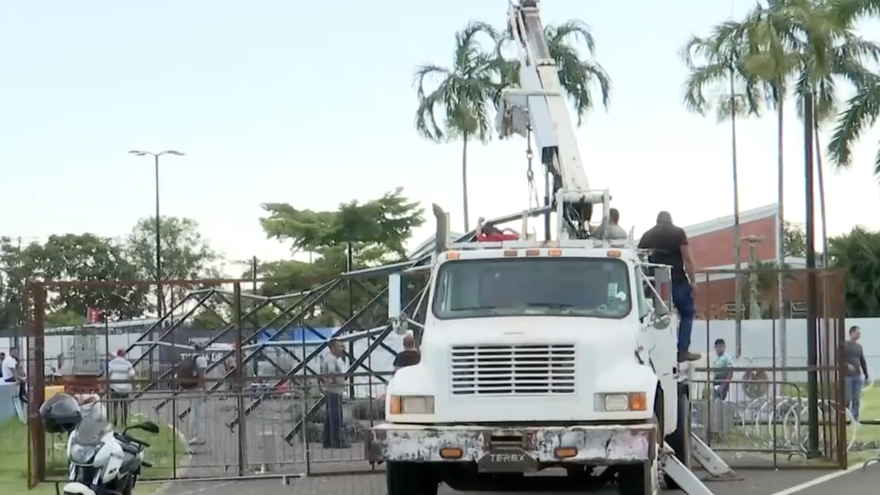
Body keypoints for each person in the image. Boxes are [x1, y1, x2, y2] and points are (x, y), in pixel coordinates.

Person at [638, 211, 701, 362]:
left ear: (657, 221)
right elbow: (686, 257)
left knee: (657, 318)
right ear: (670, 221)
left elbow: (639, 258)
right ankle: (682, 350)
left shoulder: (647, 236)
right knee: (687, 313)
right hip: (677, 280)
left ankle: (654, 350)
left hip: (657, 283)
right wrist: (693, 281)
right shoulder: (678, 233)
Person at [177, 346, 208, 448]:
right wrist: (205, 389)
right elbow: (202, 376)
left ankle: (193, 435)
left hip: (188, 388)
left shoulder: (190, 358)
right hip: (197, 388)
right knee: (197, 412)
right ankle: (194, 436)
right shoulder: (201, 360)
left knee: (193, 411)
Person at [320, 339, 348, 449]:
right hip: (334, 391)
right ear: (333, 348)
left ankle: (327, 440)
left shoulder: (329, 358)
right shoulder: (332, 360)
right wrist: (334, 381)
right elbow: (332, 372)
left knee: (329, 417)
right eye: (340, 346)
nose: (342, 348)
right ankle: (336, 441)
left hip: (331, 391)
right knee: (335, 417)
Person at [844, 326, 869, 421]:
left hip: (858, 376)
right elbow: (838, 359)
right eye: (857, 332)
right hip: (847, 376)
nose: (859, 335)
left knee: (856, 399)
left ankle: (855, 419)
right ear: (852, 333)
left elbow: (862, 360)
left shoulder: (859, 347)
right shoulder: (844, 345)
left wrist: (866, 374)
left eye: (859, 333)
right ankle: (845, 417)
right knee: (847, 398)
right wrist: (847, 365)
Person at [107, 348, 135, 427]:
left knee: (115, 405)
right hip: (125, 388)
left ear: (117, 354)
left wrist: (106, 385)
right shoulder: (128, 364)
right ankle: (124, 422)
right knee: (124, 406)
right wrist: (133, 386)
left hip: (114, 387)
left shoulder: (111, 363)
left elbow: (108, 375)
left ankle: (115, 421)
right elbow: (132, 376)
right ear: (124, 354)